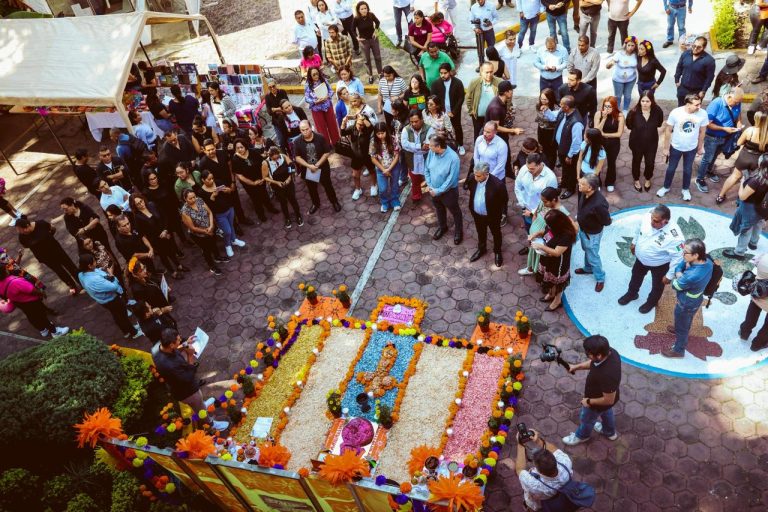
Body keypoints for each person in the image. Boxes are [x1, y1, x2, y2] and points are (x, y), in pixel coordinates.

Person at [153, 328, 230, 430]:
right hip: (188, 392)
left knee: (199, 404)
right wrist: (190, 356)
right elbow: (188, 377)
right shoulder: (169, 366)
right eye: (178, 340)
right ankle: (211, 425)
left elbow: (175, 351)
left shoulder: (158, 348)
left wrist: (185, 344)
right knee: (200, 411)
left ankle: (201, 405)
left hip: (181, 385)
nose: (181, 341)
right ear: (171, 345)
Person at [618, 204, 684, 314]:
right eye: (652, 218)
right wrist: (634, 243)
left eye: (656, 221)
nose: (651, 222)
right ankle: (632, 293)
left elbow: (677, 258)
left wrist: (669, 275)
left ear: (665, 221)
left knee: (657, 286)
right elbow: (639, 229)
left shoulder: (675, 238)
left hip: (659, 265)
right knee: (635, 276)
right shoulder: (648, 217)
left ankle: (651, 302)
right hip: (640, 260)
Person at [562, 335, 622, 445]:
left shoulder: (607, 375)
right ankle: (609, 432)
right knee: (606, 412)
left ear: (599, 355)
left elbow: (608, 400)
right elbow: (593, 363)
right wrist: (576, 367)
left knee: (587, 420)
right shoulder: (611, 352)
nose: (587, 355)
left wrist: (588, 401)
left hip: (598, 402)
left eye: (588, 354)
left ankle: (582, 436)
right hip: (608, 397)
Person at [660, 238, 715, 358]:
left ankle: (678, 350)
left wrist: (678, 272)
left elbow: (675, 285)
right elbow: (682, 263)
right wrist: (682, 268)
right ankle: (681, 327)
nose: (682, 254)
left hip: (686, 303)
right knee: (687, 319)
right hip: (695, 300)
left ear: (695, 255)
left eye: (685, 253)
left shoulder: (692, 276)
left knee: (682, 327)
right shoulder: (708, 262)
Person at [657, 93, 709, 201]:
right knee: (671, 168)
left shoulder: (703, 114)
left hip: (691, 148)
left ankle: (685, 189)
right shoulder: (676, 112)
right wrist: (666, 148)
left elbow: (703, 131)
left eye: (700, 104)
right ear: (688, 104)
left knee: (688, 170)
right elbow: (668, 130)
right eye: (696, 105)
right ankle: (666, 187)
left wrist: (700, 147)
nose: (699, 107)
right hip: (676, 147)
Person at [78, 253, 140, 339]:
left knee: (116, 315)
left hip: (103, 300)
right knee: (122, 315)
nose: (96, 262)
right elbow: (114, 287)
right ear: (89, 265)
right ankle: (134, 332)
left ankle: (126, 332)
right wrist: (111, 275)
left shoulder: (81, 274)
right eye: (94, 261)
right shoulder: (94, 280)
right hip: (112, 300)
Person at [16, 217, 81, 295]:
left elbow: (53, 229)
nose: (22, 233)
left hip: (56, 250)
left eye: (23, 230)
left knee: (69, 265)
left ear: (27, 225)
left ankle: (81, 281)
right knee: (59, 271)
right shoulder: (22, 236)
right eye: (19, 231)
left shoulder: (41, 224)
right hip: (45, 257)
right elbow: (25, 245)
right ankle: (72, 286)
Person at [695, 88, 743, 194]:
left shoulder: (737, 101)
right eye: (735, 102)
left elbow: (739, 115)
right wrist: (723, 129)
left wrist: (739, 124)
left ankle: (709, 171)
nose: (737, 104)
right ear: (729, 96)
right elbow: (707, 123)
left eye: (739, 102)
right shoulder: (716, 104)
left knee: (715, 155)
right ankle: (700, 178)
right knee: (707, 158)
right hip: (712, 137)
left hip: (726, 137)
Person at [0, 266, 69, 338]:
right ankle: (55, 332)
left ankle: (42, 330)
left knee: (31, 316)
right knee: (41, 316)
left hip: (19, 303)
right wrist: (41, 293)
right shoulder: (15, 282)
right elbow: (32, 290)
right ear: (4, 271)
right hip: (31, 302)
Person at [717, 111, 768, 204]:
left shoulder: (750, 130)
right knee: (751, 180)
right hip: (758, 161)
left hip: (744, 157)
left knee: (735, 176)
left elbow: (739, 143)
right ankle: (741, 200)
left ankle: (720, 195)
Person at [130, 193, 186, 278]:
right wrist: (152, 244)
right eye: (138, 204)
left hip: (165, 234)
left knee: (171, 251)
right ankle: (173, 272)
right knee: (164, 256)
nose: (141, 204)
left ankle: (179, 265)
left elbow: (164, 217)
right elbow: (142, 234)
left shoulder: (152, 205)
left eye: (141, 201)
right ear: (135, 206)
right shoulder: (137, 217)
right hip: (155, 240)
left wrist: (166, 230)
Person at [531, 209, 577, 311]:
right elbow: (546, 232)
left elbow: (557, 252)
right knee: (550, 280)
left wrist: (541, 247)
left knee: (557, 283)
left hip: (558, 264)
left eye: (549, 225)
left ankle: (557, 300)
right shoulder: (552, 226)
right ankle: (551, 294)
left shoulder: (566, 236)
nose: (548, 226)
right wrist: (536, 234)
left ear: (557, 225)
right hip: (547, 259)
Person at [519, 187, 570, 276]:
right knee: (533, 252)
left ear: (553, 200)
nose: (543, 203)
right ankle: (531, 268)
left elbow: (572, 228)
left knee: (541, 256)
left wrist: (542, 237)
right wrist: (534, 228)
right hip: (537, 235)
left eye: (545, 201)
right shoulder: (544, 202)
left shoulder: (561, 212)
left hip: (545, 240)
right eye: (542, 201)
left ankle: (536, 270)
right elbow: (536, 213)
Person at [724, 156, 768, 260]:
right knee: (758, 224)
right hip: (764, 208)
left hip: (750, 208)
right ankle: (753, 243)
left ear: (761, 165)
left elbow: (743, 196)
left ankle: (739, 252)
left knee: (746, 230)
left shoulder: (756, 181)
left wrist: (742, 183)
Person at [294, 120, 342, 213]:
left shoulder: (320, 137)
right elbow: (297, 157)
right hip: (308, 169)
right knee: (312, 188)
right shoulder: (297, 141)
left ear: (311, 127)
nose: (305, 132)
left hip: (322, 167)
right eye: (302, 130)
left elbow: (326, 152)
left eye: (307, 129)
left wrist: (317, 164)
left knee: (328, 186)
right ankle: (315, 204)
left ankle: (334, 202)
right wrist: (309, 166)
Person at [541, 95, 584, 199]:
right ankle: (564, 182)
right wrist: (547, 111)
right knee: (565, 167)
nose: (559, 106)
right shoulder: (563, 111)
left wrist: (570, 155)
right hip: (562, 147)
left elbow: (577, 142)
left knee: (571, 170)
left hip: (570, 151)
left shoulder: (576, 123)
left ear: (567, 107)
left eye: (561, 104)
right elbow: (553, 117)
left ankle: (570, 188)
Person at [424, 134, 462, 245]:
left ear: (438, 146)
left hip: (449, 192)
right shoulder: (432, 152)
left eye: (431, 145)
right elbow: (427, 169)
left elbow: (451, 179)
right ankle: (443, 227)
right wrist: (430, 185)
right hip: (433, 189)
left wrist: (438, 191)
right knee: (439, 209)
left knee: (455, 211)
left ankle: (459, 231)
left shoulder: (453, 158)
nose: (428, 147)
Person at [576, 174, 611, 292]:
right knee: (587, 250)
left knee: (593, 256)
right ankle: (588, 268)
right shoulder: (583, 192)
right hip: (584, 230)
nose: (579, 185)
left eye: (582, 184)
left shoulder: (599, 204)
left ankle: (600, 278)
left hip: (592, 235)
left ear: (590, 188)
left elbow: (606, 221)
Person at [467, 162, 506, 266]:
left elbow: (504, 200)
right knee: (480, 232)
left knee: (496, 233)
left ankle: (497, 251)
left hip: (492, 216)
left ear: (486, 174)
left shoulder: (498, 185)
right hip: (477, 214)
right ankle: (482, 248)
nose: (475, 178)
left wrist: (500, 214)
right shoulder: (472, 178)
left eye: (478, 176)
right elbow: (470, 189)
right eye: (475, 174)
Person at [180, 189, 227, 275]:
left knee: (213, 243)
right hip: (198, 235)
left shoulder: (199, 200)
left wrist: (211, 225)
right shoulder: (185, 211)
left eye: (194, 197)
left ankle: (217, 257)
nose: (193, 199)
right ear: (185, 198)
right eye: (190, 198)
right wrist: (206, 231)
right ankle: (211, 266)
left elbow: (210, 213)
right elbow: (192, 227)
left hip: (210, 228)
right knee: (206, 250)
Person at [198, 169, 243, 259]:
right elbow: (206, 207)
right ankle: (227, 245)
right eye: (209, 179)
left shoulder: (218, 182)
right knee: (227, 231)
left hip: (229, 208)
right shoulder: (201, 192)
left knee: (231, 225)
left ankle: (234, 240)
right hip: (219, 214)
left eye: (212, 178)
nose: (212, 181)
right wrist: (212, 197)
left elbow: (230, 192)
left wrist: (228, 190)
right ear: (203, 180)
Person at [232, 138, 280, 222]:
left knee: (264, 194)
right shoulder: (235, 159)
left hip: (261, 179)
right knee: (255, 199)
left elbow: (263, 163)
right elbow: (239, 175)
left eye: (241, 147)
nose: (240, 149)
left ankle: (270, 208)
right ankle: (260, 214)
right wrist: (253, 183)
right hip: (249, 183)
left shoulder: (252, 152)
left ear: (245, 146)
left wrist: (263, 177)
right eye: (237, 148)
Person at [626, 90, 665, 192]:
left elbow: (659, 123)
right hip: (636, 143)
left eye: (647, 101)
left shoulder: (657, 111)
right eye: (643, 101)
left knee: (650, 163)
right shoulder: (633, 112)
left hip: (651, 143)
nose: (645, 104)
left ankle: (648, 179)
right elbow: (629, 125)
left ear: (652, 101)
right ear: (640, 101)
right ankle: (636, 179)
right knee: (636, 161)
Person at [143, 169, 188, 246]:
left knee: (179, 228)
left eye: (155, 178)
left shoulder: (164, 184)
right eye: (151, 179)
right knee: (169, 235)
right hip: (162, 217)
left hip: (172, 211)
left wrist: (178, 208)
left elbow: (172, 196)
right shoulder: (146, 192)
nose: (154, 180)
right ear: (147, 180)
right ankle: (176, 249)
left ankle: (185, 241)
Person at [515, 152, 558, 234]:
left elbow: (551, 202)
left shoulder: (550, 178)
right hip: (525, 209)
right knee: (529, 231)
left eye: (532, 169)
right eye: (527, 167)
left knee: (539, 234)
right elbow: (517, 187)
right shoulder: (524, 169)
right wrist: (522, 205)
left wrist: (532, 213)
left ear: (540, 164)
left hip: (540, 215)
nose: (528, 170)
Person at [262, 146, 304, 228]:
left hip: (288, 182)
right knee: (283, 202)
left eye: (277, 157)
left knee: (293, 200)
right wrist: (276, 182)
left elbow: (292, 167)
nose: (276, 159)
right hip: (277, 185)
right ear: (269, 156)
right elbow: (265, 177)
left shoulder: (283, 156)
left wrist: (289, 178)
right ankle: (287, 218)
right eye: (274, 158)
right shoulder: (265, 163)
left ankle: (298, 216)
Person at [401, 110, 435, 202]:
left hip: (426, 158)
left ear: (422, 119)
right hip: (412, 159)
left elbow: (427, 146)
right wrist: (419, 146)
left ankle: (435, 194)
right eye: (411, 122)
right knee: (414, 179)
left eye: (416, 121)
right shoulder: (406, 129)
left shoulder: (429, 129)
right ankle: (416, 196)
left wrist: (412, 147)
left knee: (431, 178)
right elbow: (404, 145)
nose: (413, 124)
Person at [342, 113, 376, 200]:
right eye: (358, 124)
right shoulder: (352, 128)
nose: (360, 126)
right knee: (355, 175)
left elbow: (371, 128)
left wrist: (362, 118)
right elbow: (342, 133)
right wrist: (343, 122)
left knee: (372, 171)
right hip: (356, 156)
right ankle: (358, 189)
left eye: (362, 125)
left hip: (367, 155)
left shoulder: (368, 130)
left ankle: (374, 185)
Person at [674, 36, 716, 106]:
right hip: (683, 88)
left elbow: (709, 77)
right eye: (694, 46)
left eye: (699, 47)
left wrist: (703, 90)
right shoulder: (685, 54)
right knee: (681, 109)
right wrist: (677, 79)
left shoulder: (709, 60)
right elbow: (679, 67)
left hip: (696, 91)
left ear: (704, 47)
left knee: (694, 110)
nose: (695, 49)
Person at [370, 122, 402, 213]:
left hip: (394, 167)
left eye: (382, 133)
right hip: (381, 169)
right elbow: (373, 159)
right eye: (378, 134)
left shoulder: (393, 139)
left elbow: (397, 155)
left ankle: (395, 201)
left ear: (386, 132)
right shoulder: (373, 142)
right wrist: (384, 170)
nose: (380, 136)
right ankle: (384, 202)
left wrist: (389, 169)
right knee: (383, 188)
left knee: (394, 186)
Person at [594, 96, 624, 191]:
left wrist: (605, 134)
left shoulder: (620, 116)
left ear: (614, 107)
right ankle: (597, 181)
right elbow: (596, 131)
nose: (607, 109)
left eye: (610, 107)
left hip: (613, 143)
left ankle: (610, 181)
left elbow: (619, 134)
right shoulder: (598, 114)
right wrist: (604, 118)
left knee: (611, 162)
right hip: (600, 142)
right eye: (605, 106)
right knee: (598, 161)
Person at [305, 67, 341, 147]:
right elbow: (306, 98)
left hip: (327, 106)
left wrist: (328, 96)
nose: (316, 76)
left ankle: (336, 142)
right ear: (310, 76)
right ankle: (326, 145)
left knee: (332, 124)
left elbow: (331, 91)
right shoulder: (307, 85)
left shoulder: (324, 80)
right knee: (321, 128)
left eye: (317, 74)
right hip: (316, 109)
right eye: (314, 75)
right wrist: (315, 101)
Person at [739, 253, 768, 351]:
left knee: (752, 313)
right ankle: (757, 345)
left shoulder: (765, 257)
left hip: (760, 292)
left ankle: (744, 333)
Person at [467, 62, 502, 139]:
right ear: (481, 71)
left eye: (491, 72)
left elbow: (507, 98)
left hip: (493, 118)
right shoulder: (474, 82)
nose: (489, 75)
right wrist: (471, 111)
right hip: (478, 117)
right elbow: (468, 97)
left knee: (493, 136)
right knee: (478, 136)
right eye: (487, 72)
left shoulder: (499, 82)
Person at [605, 36, 638, 114]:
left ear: (635, 46)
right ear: (625, 45)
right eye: (629, 45)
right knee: (618, 96)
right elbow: (608, 65)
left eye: (632, 45)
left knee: (627, 95)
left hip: (631, 79)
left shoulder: (636, 55)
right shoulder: (619, 54)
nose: (630, 47)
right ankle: (617, 110)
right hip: (618, 79)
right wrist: (610, 64)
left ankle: (625, 110)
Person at [352, 1, 383, 84]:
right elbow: (352, 29)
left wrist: (376, 31)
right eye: (362, 9)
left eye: (365, 8)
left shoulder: (371, 15)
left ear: (367, 8)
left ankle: (380, 73)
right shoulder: (356, 18)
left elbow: (377, 22)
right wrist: (357, 38)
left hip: (373, 39)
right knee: (367, 59)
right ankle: (370, 75)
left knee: (377, 57)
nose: (364, 10)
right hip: (364, 41)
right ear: (358, 10)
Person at [535, 90, 559, 168]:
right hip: (541, 129)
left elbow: (554, 120)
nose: (543, 101)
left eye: (545, 99)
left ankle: (551, 166)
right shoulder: (538, 105)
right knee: (542, 147)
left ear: (550, 99)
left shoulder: (556, 108)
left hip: (551, 131)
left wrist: (547, 112)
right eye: (541, 98)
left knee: (552, 150)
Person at [470, 0, 498, 65]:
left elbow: (496, 18)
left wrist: (491, 23)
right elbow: (471, 21)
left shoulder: (491, 5)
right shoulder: (473, 7)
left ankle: (493, 64)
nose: (480, 1)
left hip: (489, 31)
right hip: (479, 32)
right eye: (478, 0)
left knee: (491, 49)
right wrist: (475, 29)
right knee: (480, 51)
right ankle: (481, 65)